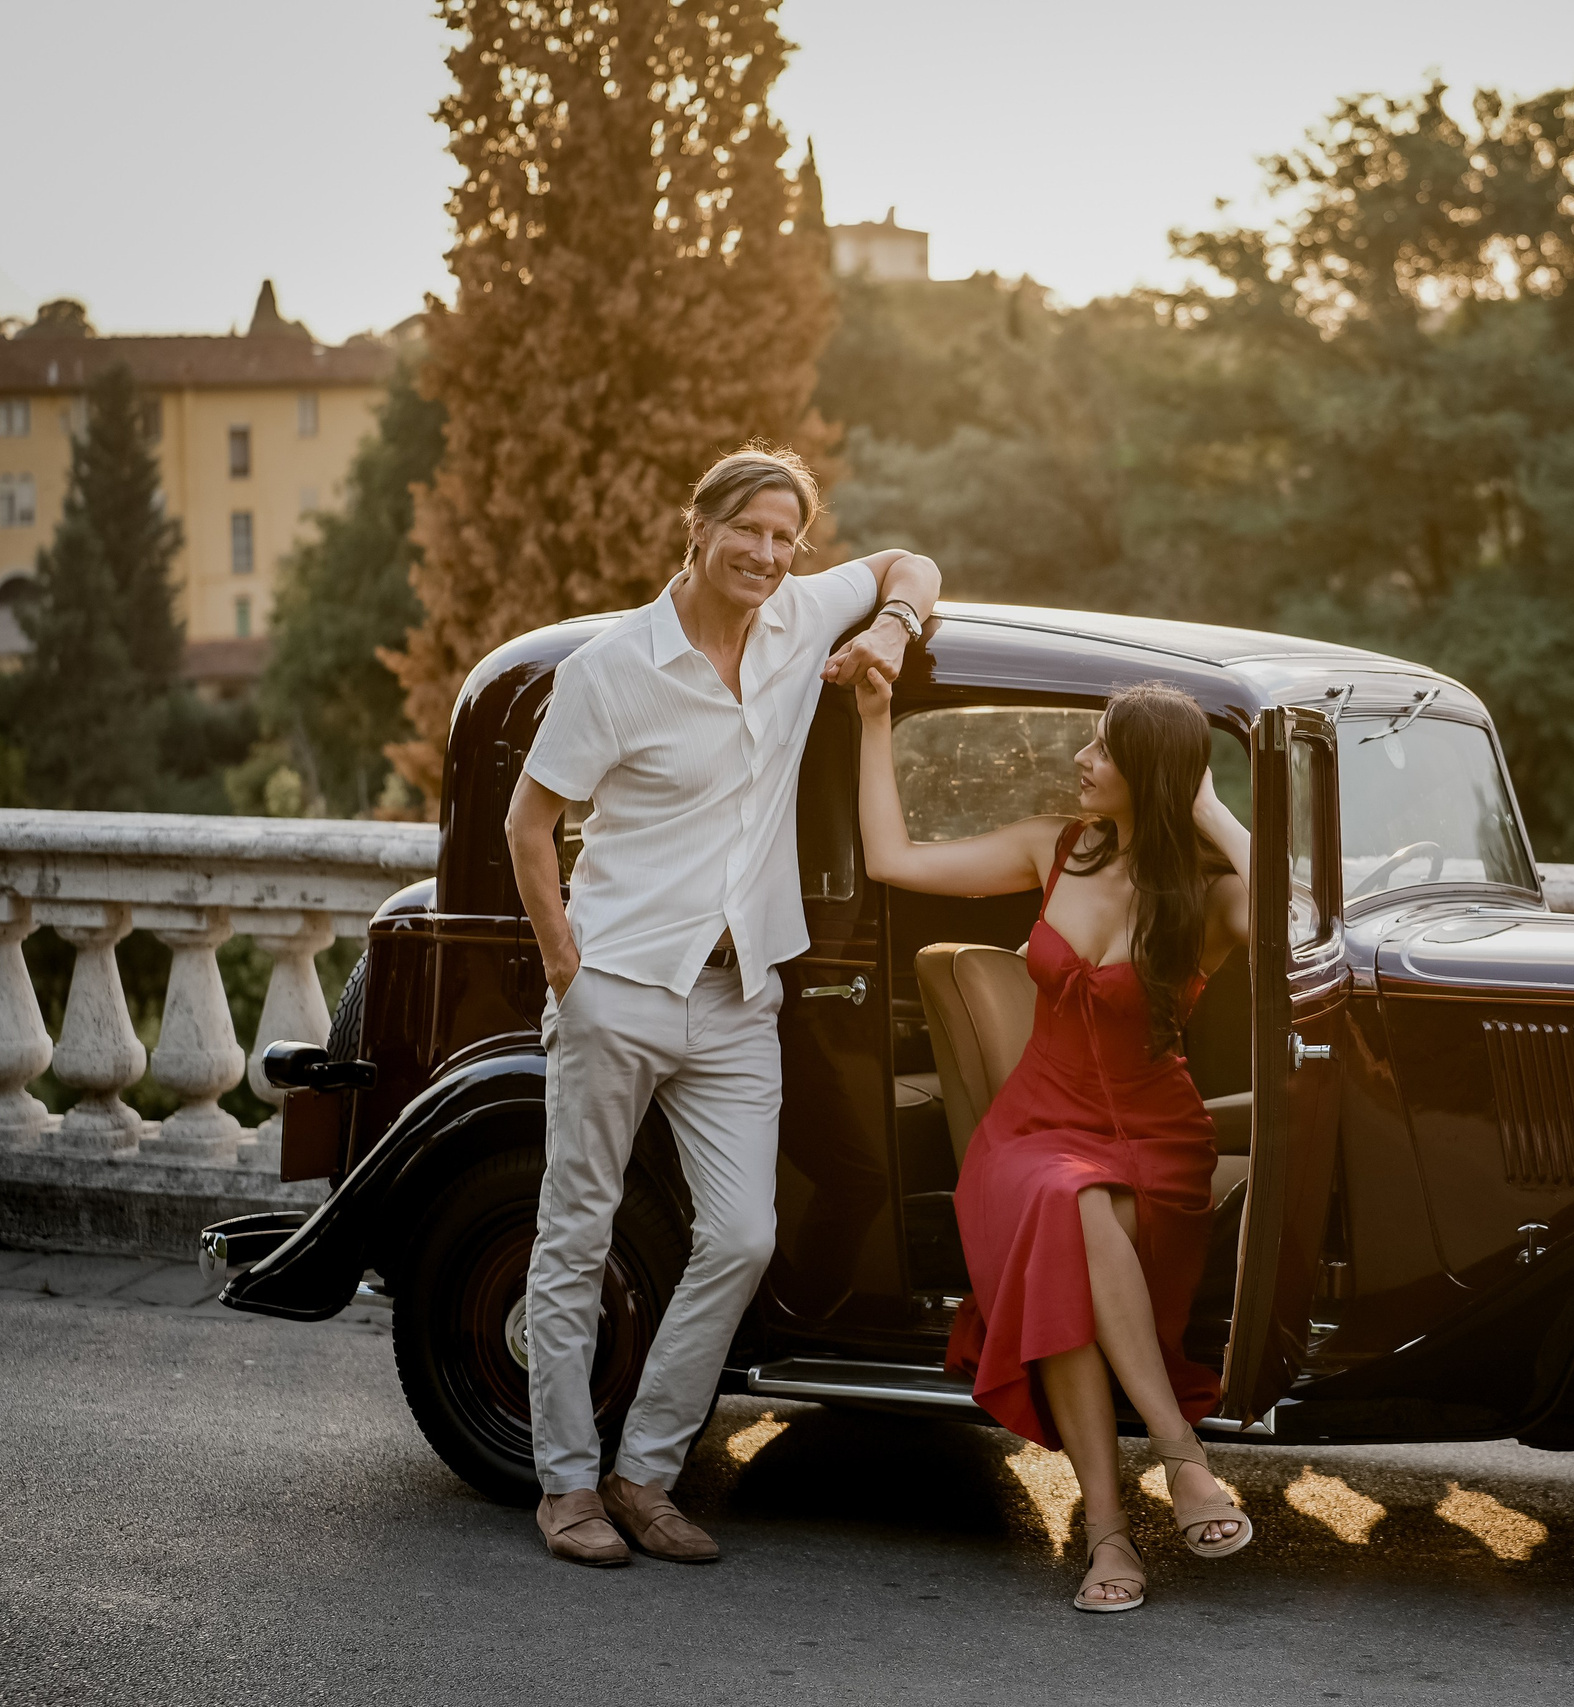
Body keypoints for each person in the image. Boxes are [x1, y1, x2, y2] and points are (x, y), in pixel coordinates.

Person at [505, 445, 940, 1568]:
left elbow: (908, 561)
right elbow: (527, 824)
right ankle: (565, 1489)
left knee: (743, 1235)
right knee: (575, 1235)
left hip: (741, 992)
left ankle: (645, 1472)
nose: (764, 552)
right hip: (621, 988)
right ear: (696, 527)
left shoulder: (799, 617)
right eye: (745, 528)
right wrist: (569, 974)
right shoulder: (614, 669)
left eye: (783, 535)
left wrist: (889, 628)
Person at [856, 676, 1256, 1613]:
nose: (1081, 762)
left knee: (1073, 1225)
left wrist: (1211, 805)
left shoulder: (1211, 897)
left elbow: (1311, 912)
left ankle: (1112, 1534)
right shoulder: (1056, 845)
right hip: (1036, 1126)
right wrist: (875, 720)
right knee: (1066, 1198)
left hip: (1159, 1136)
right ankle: (1179, 1459)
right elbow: (891, 856)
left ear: (1151, 776)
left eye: (1105, 750)